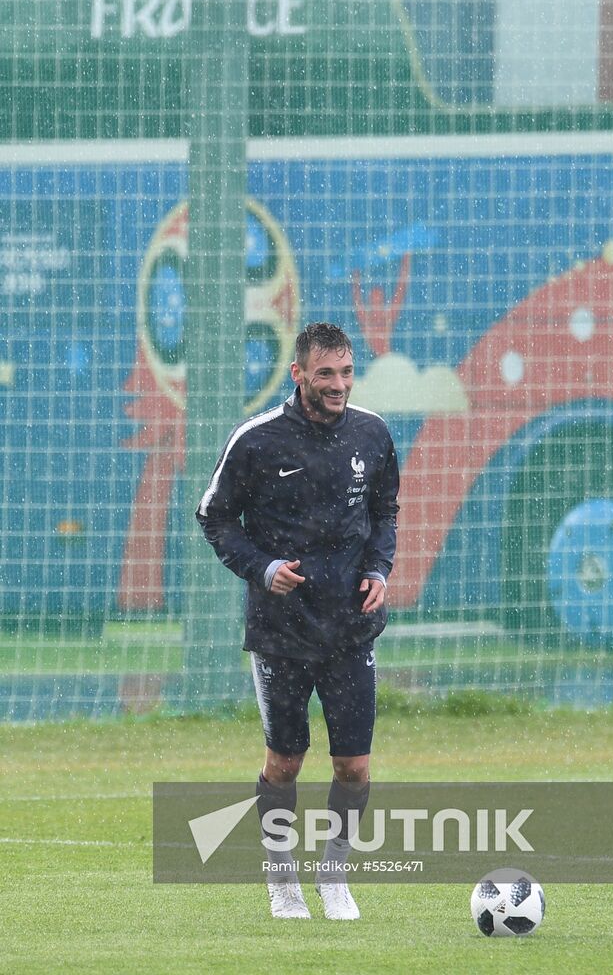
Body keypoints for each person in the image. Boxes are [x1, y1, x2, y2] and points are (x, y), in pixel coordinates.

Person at [196, 322, 399, 921]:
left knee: (354, 766)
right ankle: (282, 878)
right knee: (285, 761)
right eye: (326, 374)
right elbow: (214, 517)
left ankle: (333, 875)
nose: (338, 384)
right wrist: (261, 569)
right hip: (281, 632)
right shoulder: (256, 440)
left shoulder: (372, 433)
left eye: (345, 372)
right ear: (299, 375)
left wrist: (380, 570)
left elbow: (385, 511)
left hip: (350, 629)